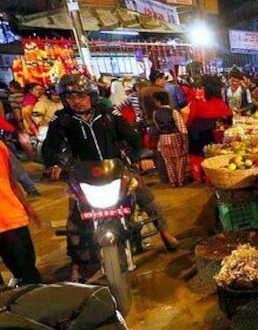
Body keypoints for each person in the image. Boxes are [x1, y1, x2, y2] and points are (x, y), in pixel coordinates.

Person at [42, 74, 179, 281]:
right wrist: (53, 164)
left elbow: (130, 135)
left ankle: (164, 233)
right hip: (83, 176)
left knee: (145, 197)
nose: (77, 101)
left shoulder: (108, 114)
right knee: (75, 218)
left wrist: (143, 155)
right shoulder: (61, 121)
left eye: (81, 95)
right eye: (70, 97)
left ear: (90, 96)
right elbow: (49, 148)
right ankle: (77, 262)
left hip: (117, 168)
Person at [0, 139, 41, 286]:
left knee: (27, 272)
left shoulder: (1, 147)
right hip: (11, 218)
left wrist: (28, 208)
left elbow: (11, 181)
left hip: (11, 218)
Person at [186, 75, 233, 182]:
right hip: (207, 131)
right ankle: (208, 177)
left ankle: (198, 176)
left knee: (196, 155)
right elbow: (228, 115)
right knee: (209, 155)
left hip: (194, 130)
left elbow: (191, 111)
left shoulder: (196, 96)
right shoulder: (216, 100)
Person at [151, 91, 188, 187]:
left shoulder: (155, 113)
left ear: (159, 102)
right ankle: (181, 181)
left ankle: (173, 182)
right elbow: (182, 128)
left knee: (168, 162)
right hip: (175, 138)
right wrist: (185, 141)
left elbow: (158, 127)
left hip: (163, 139)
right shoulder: (173, 112)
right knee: (180, 159)